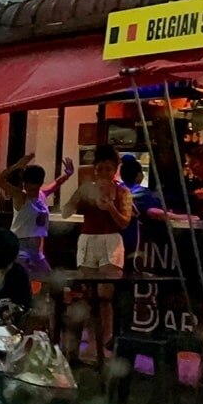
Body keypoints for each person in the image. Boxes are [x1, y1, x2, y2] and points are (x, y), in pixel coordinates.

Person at [62, 145, 132, 354]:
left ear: (115, 170)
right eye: (100, 169)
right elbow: (65, 212)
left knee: (104, 295)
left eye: (108, 169)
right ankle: (88, 341)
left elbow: (124, 223)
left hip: (111, 242)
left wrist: (110, 206)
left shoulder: (122, 192)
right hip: (88, 240)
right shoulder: (87, 188)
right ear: (94, 169)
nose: (103, 173)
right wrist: (77, 193)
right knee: (87, 294)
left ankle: (104, 341)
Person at [0, 153, 75, 279]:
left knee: (49, 281)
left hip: (36, 251)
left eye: (36, 189)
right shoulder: (20, 196)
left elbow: (56, 183)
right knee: (21, 281)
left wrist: (68, 174)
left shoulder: (41, 194)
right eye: (30, 189)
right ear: (25, 185)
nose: (33, 193)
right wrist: (16, 166)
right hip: (20, 249)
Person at [119, 155, 196, 268]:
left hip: (117, 238)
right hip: (135, 239)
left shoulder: (118, 190)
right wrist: (184, 217)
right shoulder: (142, 193)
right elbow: (154, 212)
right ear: (138, 175)